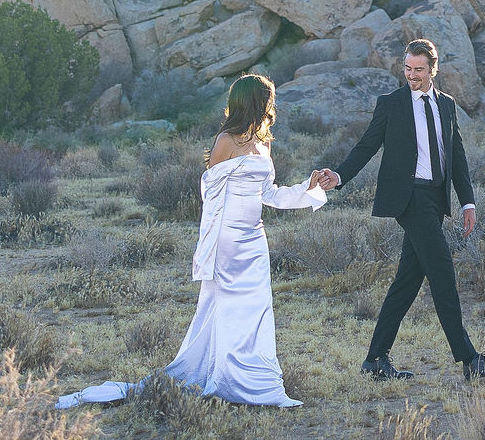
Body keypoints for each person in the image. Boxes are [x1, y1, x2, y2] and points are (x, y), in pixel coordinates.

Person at [56, 74, 337, 411]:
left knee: (258, 310)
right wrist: (209, 248)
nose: (271, 106)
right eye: (267, 99)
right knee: (227, 310)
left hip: (255, 238)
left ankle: (255, 381)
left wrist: (308, 186)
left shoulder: (264, 142)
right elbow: (212, 195)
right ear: (253, 101)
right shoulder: (226, 140)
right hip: (227, 240)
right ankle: (225, 377)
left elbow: (270, 195)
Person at [328, 38, 485, 383]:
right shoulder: (391, 104)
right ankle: (470, 360)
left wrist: (467, 201)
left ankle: (375, 360)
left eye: (419, 70)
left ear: (433, 70)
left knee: (407, 282)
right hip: (408, 199)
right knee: (442, 272)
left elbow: (457, 157)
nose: (411, 75)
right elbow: (367, 145)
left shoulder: (447, 105)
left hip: (435, 199)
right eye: (407, 69)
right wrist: (339, 176)